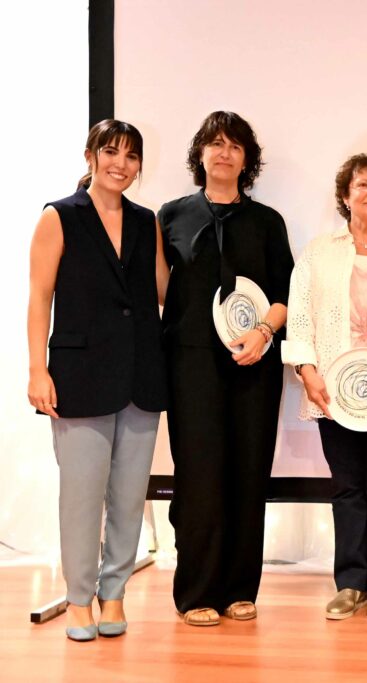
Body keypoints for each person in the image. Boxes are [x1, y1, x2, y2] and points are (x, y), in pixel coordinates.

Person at [27, 120, 168, 641]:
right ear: (90, 156)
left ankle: (115, 594)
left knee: (130, 498)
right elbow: (39, 298)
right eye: (111, 152)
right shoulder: (59, 216)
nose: (121, 164)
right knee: (82, 498)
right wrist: (36, 369)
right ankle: (80, 598)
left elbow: (160, 291)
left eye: (132, 156)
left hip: (140, 377)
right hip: (78, 379)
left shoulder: (145, 220)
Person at [159, 111, 294, 627]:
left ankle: (240, 588)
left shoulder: (268, 222)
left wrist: (263, 332)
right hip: (190, 365)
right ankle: (196, 590)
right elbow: (159, 291)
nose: (224, 152)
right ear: (200, 154)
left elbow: (285, 297)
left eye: (234, 146)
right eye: (214, 144)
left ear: (247, 159)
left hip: (254, 363)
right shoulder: (170, 215)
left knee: (246, 472)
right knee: (198, 476)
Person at [283, 153, 367, 622]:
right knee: (347, 487)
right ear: (346, 196)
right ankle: (349, 583)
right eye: (362, 184)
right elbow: (299, 312)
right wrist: (306, 370)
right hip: (335, 393)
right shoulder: (320, 252)